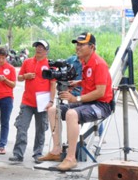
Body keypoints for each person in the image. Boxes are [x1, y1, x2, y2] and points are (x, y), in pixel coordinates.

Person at [36, 32, 113, 171]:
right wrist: (77, 83)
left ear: (92, 47)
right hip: (88, 102)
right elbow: (90, 81)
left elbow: (100, 92)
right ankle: (56, 151)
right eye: (77, 44)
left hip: (101, 105)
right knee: (53, 110)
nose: (78, 47)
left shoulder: (99, 64)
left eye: (82, 45)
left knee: (71, 114)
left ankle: (71, 158)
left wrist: (75, 98)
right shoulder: (85, 62)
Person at [9, 40, 56, 163]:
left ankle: (38, 154)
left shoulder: (50, 65)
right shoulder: (27, 62)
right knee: (21, 127)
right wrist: (26, 76)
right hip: (27, 102)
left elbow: (53, 85)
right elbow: (19, 78)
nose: (39, 49)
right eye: (37, 46)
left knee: (41, 130)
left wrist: (51, 101)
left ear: (47, 51)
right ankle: (18, 155)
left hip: (43, 103)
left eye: (42, 47)